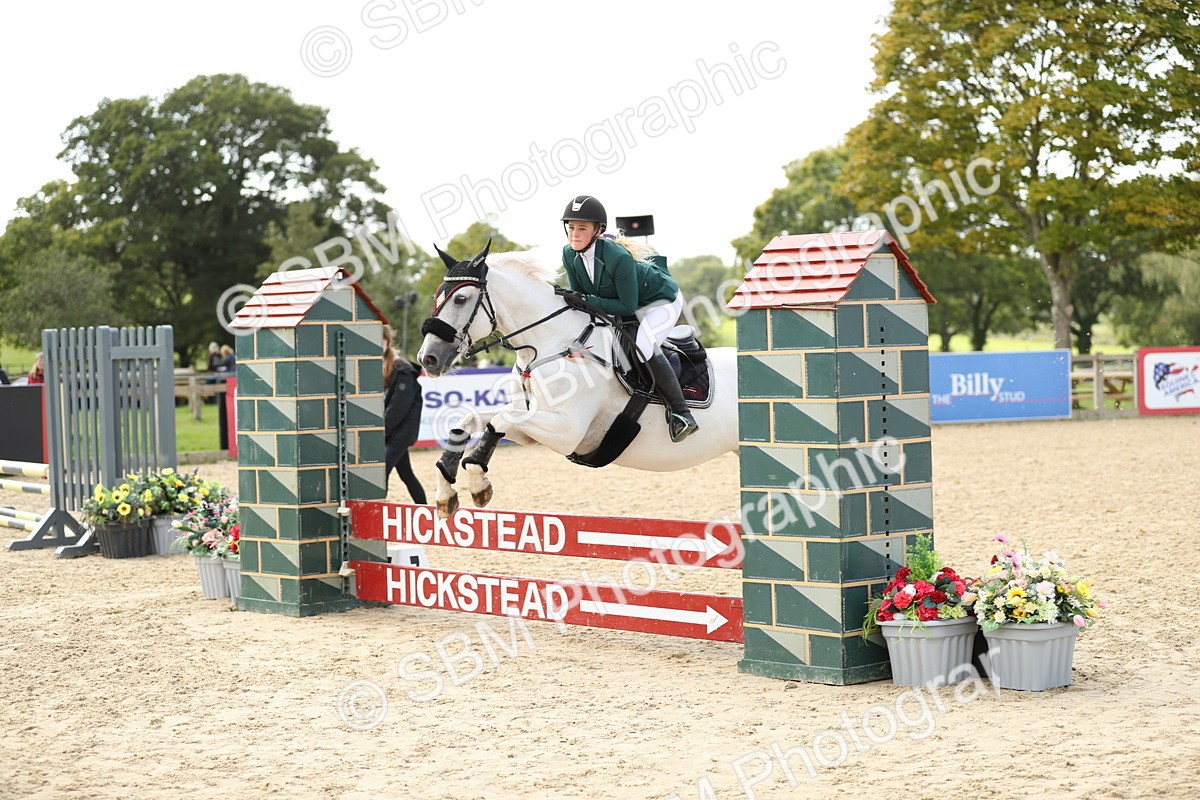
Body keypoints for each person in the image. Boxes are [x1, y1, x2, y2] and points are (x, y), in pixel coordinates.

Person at [559, 195, 699, 442]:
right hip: (628, 304)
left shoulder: (617, 257)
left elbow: (625, 305)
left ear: (598, 231)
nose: (574, 234)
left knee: (643, 345)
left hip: (661, 301)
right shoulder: (569, 254)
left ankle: (682, 413)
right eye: (571, 227)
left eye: (582, 228)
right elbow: (582, 302)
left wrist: (583, 299)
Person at [383, 324, 427, 504]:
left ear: (387, 341)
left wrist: (381, 431)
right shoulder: (384, 365)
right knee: (407, 475)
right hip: (394, 431)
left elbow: (398, 408)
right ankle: (425, 509)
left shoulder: (402, 368)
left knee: (380, 472)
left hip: (401, 432)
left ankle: (377, 515)